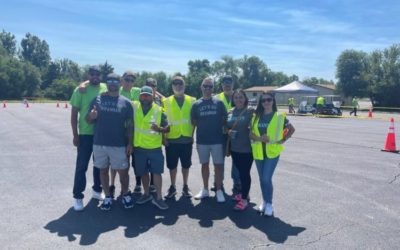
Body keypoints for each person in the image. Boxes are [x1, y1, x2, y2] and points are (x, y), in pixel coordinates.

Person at [87, 73, 134, 211]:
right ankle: (107, 196)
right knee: (103, 171)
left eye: (115, 80)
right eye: (109, 80)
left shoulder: (126, 102)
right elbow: (88, 120)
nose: (112, 83)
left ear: (120, 83)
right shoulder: (97, 99)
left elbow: (130, 125)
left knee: (123, 173)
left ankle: (125, 194)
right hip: (99, 143)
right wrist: (91, 116)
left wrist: (130, 143)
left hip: (119, 144)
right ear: (106, 83)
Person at [250, 91, 295, 216]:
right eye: (263, 100)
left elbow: (292, 129)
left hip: (272, 152)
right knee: (262, 179)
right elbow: (250, 134)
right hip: (259, 152)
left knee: (266, 178)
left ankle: (269, 203)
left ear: (273, 101)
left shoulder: (279, 116)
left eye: (269, 100)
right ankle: (264, 201)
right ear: (261, 102)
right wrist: (260, 139)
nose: (266, 102)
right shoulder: (256, 117)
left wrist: (283, 140)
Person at [69, 65, 108, 211]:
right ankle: (78, 196)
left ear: (100, 76)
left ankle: (97, 191)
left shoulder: (105, 87)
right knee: (81, 167)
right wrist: (75, 135)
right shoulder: (80, 90)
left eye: (97, 74)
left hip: (100, 134)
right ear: (88, 75)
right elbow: (73, 115)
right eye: (92, 74)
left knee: (99, 165)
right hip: (85, 134)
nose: (95, 76)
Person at [133, 86, 170, 210]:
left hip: (154, 148)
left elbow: (168, 127)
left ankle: (159, 198)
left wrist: (159, 129)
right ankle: (147, 194)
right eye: (142, 95)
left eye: (147, 95)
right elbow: (120, 97)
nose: (144, 97)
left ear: (152, 96)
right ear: (139, 96)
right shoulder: (134, 107)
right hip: (139, 148)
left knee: (157, 173)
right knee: (143, 172)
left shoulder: (159, 110)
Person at [191, 77, 227, 203]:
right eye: (205, 86)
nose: (207, 89)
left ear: (213, 88)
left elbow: (224, 120)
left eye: (210, 86)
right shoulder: (196, 104)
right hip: (202, 141)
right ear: (201, 87)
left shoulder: (219, 103)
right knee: (204, 165)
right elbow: (194, 122)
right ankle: (205, 189)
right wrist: (192, 137)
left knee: (218, 166)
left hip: (217, 140)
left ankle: (218, 190)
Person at [163, 76, 196, 199]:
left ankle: (185, 186)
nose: (178, 86)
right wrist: (164, 138)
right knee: (172, 166)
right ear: (172, 86)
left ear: (184, 85)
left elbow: (194, 120)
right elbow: (163, 121)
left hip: (186, 138)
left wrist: (192, 135)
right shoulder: (165, 101)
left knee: (186, 165)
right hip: (171, 139)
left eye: (180, 83)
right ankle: (172, 186)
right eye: (175, 83)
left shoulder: (192, 100)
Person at [226, 89, 254, 211]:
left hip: (247, 149)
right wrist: (228, 132)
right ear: (233, 99)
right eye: (236, 97)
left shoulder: (250, 111)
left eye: (241, 97)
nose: (238, 99)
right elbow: (226, 127)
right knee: (239, 173)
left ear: (245, 98)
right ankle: (244, 194)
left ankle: (244, 200)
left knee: (244, 174)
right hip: (234, 149)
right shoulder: (230, 112)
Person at [215, 75, 241, 195]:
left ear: (233, 84)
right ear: (222, 85)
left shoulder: (239, 96)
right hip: (220, 134)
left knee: (236, 160)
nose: (227, 85)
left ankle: (237, 183)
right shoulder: (216, 98)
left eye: (229, 83)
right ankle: (218, 183)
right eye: (225, 83)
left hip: (236, 134)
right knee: (219, 160)